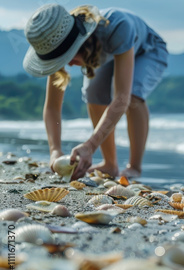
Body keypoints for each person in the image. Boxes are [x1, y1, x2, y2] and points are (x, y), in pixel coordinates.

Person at [23, 4, 168, 179]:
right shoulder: (54, 39)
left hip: (147, 50)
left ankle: (135, 167)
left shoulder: (116, 27)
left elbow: (121, 98)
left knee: (133, 96)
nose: (67, 64)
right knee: (93, 93)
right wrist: (55, 151)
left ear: (81, 44)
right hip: (103, 53)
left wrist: (90, 145)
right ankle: (110, 165)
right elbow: (52, 107)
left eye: (69, 57)